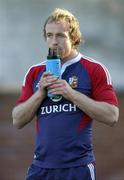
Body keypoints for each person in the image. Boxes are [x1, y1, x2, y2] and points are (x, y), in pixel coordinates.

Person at [12, 8, 119, 180]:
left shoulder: (94, 69)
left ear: (74, 38)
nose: (54, 41)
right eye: (49, 35)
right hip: (41, 168)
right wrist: (40, 94)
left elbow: (112, 116)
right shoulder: (35, 72)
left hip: (78, 168)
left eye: (60, 35)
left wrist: (71, 94)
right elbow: (17, 120)